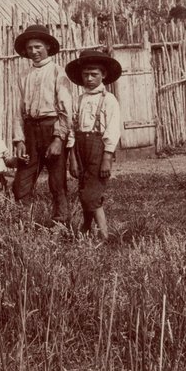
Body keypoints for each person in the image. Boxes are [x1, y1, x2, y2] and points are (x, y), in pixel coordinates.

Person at [11, 24, 74, 225]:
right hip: (30, 131)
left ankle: (61, 224)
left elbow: (65, 109)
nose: (34, 51)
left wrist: (58, 138)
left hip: (51, 128)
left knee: (57, 181)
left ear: (47, 46)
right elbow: (18, 111)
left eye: (38, 47)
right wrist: (19, 140)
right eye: (30, 48)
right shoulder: (24, 76)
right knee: (22, 182)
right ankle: (23, 225)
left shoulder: (58, 72)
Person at [64, 47, 123, 239]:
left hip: (99, 149)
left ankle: (105, 235)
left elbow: (113, 130)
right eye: (85, 74)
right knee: (83, 189)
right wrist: (72, 158)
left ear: (103, 75)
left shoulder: (109, 100)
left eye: (94, 74)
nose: (89, 78)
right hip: (80, 148)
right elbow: (72, 129)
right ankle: (87, 226)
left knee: (92, 193)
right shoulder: (79, 100)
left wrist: (107, 158)